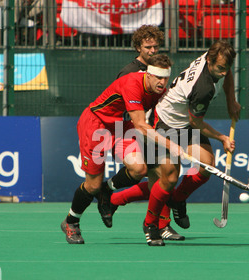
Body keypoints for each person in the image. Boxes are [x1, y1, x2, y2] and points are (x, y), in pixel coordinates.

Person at [106, 40, 241, 246]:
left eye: (226, 68)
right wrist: (222, 137)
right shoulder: (203, 87)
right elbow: (197, 123)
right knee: (167, 178)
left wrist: (231, 101)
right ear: (211, 62)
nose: (224, 73)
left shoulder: (213, 57)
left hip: (184, 124)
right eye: (220, 69)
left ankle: (177, 199)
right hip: (164, 123)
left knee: (207, 166)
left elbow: (227, 73)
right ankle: (149, 224)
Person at [61, 54, 182, 244]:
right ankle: (71, 221)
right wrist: (171, 145)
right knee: (92, 185)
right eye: (158, 77)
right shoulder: (132, 84)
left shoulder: (160, 91)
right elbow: (141, 125)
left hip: (120, 127)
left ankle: (107, 190)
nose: (162, 82)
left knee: (139, 169)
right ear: (148, 74)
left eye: (165, 77)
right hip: (96, 124)